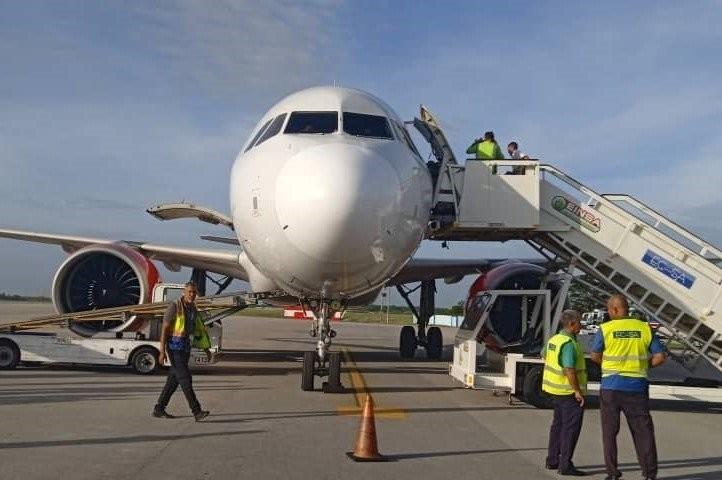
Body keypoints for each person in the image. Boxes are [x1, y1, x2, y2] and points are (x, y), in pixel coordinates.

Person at [590, 294, 667, 480]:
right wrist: (643, 366)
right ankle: (649, 474)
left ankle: (612, 473)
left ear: (615, 309)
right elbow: (660, 357)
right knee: (643, 432)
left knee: (609, 432)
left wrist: (609, 366)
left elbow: (594, 355)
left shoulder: (605, 329)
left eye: (609, 310)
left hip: (611, 387)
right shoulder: (644, 328)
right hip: (636, 388)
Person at [153, 282, 211, 421]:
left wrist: (206, 349)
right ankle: (196, 411)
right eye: (189, 292)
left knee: (173, 381)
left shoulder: (193, 308)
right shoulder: (174, 307)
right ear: (184, 292)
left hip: (185, 348)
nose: (192, 295)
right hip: (174, 349)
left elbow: (198, 330)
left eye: (194, 293)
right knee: (185, 379)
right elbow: (164, 330)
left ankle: (159, 409)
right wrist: (162, 351)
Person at [542, 310, 588, 477]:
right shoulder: (568, 343)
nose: (581, 325)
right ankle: (565, 464)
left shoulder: (554, 340)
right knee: (570, 429)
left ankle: (552, 460)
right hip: (568, 392)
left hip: (555, 390)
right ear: (571, 324)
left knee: (557, 426)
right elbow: (569, 369)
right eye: (579, 322)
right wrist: (577, 390)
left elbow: (544, 354)